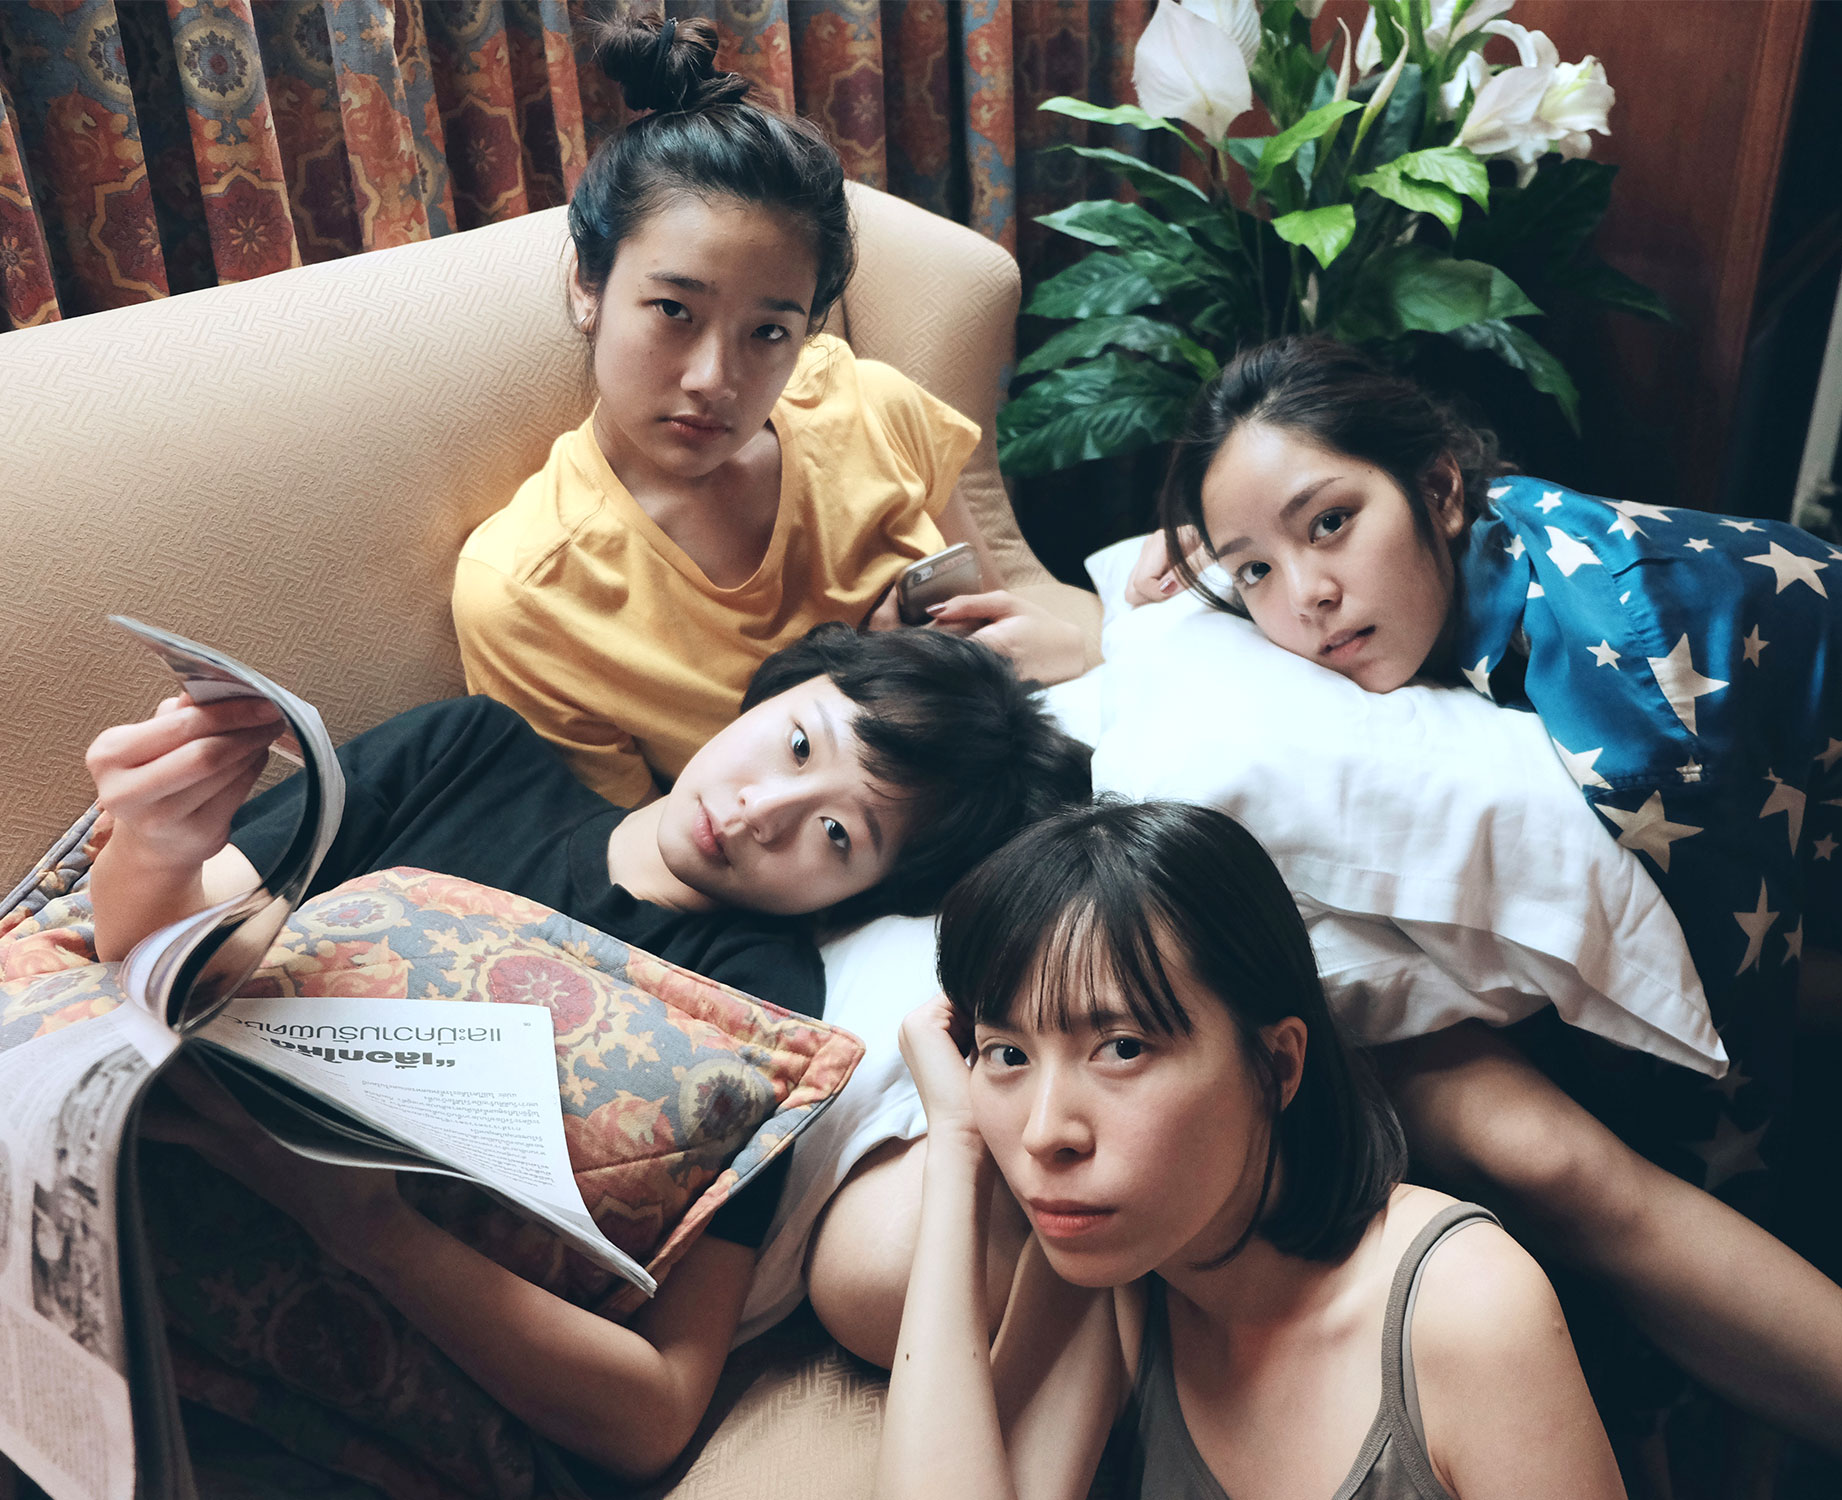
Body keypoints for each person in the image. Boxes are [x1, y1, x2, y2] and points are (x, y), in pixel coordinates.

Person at [1128, 333, 1842, 1497]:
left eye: (1329, 523)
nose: (1306, 597)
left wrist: (1639, 1400)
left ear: (1439, 486)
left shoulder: (1635, 716)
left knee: (1559, 1133)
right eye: (1253, 572)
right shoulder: (1478, 539)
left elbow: (1721, 1068)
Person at [84, 622, 1092, 1482]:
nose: (759, 813)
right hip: (106, 1209)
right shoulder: (468, 751)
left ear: (866, 895)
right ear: (778, 688)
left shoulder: (764, 1018)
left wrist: (367, 1227)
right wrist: (152, 844)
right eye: (796, 744)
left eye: (835, 834)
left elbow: (657, 1412)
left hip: (310, 1403)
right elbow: (154, 960)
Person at [876, 799, 1624, 1500]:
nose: (1044, 1134)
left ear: (1276, 1065)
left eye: (1123, 1048)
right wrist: (957, 1146)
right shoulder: (1107, 1272)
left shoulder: (1466, 1306)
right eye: (1007, 1055)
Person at [454, 12, 1097, 808]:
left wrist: (1055, 648)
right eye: (674, 310)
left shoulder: (869, 406)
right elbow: (634, 858)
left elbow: (1000, 637)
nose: (713, 380)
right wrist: (873, 687)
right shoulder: (529, 596)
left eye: (768, 332)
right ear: (588, 285)